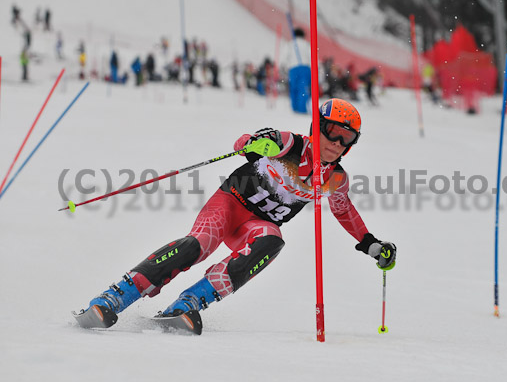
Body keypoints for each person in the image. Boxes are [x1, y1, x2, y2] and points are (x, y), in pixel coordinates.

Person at [76, 98, 397, 331]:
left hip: (256, 226)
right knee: (196, 246)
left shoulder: (335, 178)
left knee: (274, 240)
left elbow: (345, 212)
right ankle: (115, 296)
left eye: (347, 138)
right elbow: (243, 143)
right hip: (230, 205)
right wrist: (258, 144)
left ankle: (188, 303)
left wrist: (370, 244)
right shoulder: (290, 143)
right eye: (332, 131)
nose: (337, 143)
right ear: (318, 126)